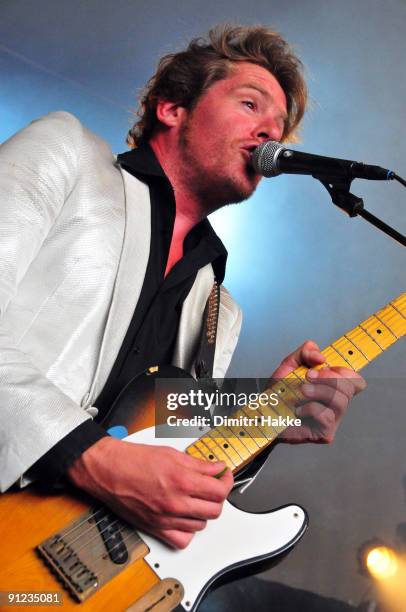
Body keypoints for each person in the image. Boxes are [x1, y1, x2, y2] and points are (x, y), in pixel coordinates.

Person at [0, 24, 365, 550]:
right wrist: (91, 456)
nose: (270, 133)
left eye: (279, 126)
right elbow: (116, 456)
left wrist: (265, 413)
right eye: (249, 104)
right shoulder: (69, 155)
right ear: (173, 108)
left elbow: (167, 442)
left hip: (54, 566)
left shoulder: (218, 306)